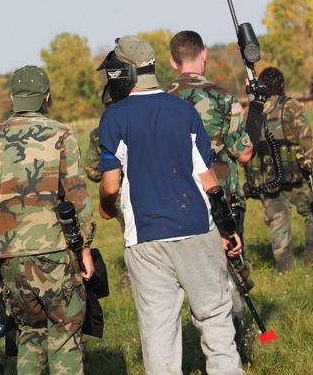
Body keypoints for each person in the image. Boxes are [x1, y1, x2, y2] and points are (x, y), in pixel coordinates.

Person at [97, 35, 244, 375]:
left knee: (158, 328)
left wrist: (106, 205)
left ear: (123, 73)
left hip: (145, 239)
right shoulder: (184, 110)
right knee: (215, 317)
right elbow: (209, 180)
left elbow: (110, 185)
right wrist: (226, 229)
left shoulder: (114, 118)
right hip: (196, 227)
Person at [0, 65, 96, 375]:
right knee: (63, 333)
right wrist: (85, 248)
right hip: (56, 254)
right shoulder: (63, 135)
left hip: (10, 260)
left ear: (12, 98)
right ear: (46, 98)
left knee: (30, 335)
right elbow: (78, 195)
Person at [166, 30, 266, 354]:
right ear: (204, 55)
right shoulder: (223, 97)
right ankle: (231, 349)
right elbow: (246, 153)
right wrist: (257, 108)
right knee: (228, 275)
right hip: (223, 199)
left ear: (172, 61)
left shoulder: (160, 100)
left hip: (174, 204)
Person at [244, 66, 313, 272]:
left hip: (264, 181)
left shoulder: (250, 113)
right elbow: (308, 145)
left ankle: (285, 270)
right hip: (295, 178)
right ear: (282, 85)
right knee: (312, 211)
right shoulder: (292, 107)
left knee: (278, 221)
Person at [84, 89, 131, 291]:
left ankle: (129, 280)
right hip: (145, 185)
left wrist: (108, 175)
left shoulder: (99, 132)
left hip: (118, 192)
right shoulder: (136, 121)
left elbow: (91, 171)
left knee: (130, 234)